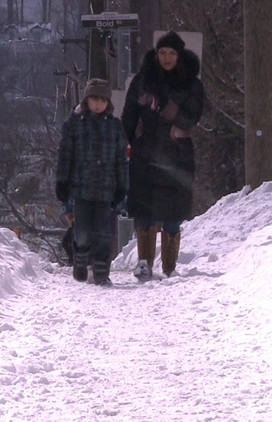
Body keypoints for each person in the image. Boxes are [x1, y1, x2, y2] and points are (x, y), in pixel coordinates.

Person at [121, 31, 205, 280]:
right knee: (143, 208)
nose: (167, 58)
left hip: (176, 154)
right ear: (156, 55)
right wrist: (127, 143)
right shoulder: (142, 81)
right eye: (162, 53)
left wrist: (174, 113)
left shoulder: (192, 84)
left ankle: (169, 266)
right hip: (145, 153)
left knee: (173, 211)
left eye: (172, 53)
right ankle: (144, 263)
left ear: (179, 56)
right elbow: (128, 116)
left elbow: (194, 116)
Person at [56, 78, 129, 286]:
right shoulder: (74, 125)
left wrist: (122, 186)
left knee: (104, 233)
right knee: (83, 230)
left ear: (108, 103)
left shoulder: (115, 127)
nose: (98, 104)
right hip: (80, 188)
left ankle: (101, 271)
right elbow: (65, 156)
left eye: (103, 100)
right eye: (94, 99)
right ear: (86, 100)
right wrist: (62, 181)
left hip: (106, 188)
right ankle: (80, 255)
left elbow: (121, 160)